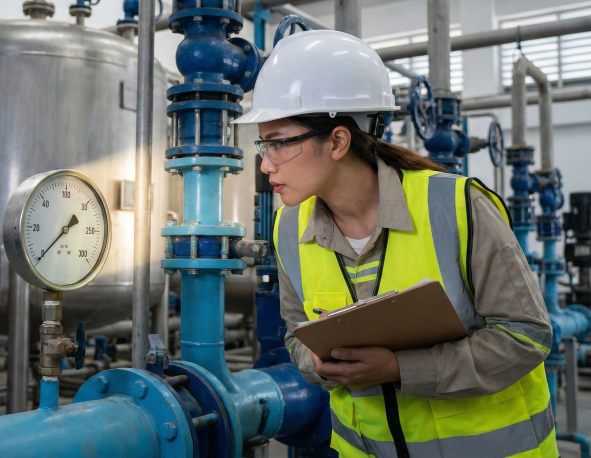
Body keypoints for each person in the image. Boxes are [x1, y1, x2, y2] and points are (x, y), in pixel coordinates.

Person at [233, 30, 556, 457]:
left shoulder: (457, 206)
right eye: (262, 143)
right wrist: (321, 365)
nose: (264, 162)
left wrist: (400, 368)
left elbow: (526, 335)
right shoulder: (287, 228)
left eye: (277, 143)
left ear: (338, 141)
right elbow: (296, 337)